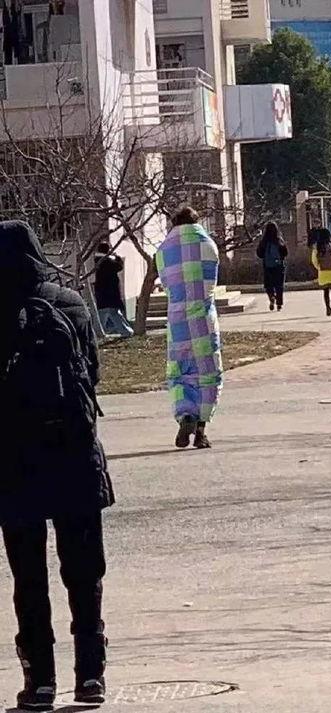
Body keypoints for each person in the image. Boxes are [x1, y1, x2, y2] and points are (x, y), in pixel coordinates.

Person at [0, 221, 114, 710]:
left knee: (28, 577)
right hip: (75, 456)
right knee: (84, 572)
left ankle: (40, 683)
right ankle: (91, 676)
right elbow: (93, 372)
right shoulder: (71, 303)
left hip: (14, 462)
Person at [156, 206, 223, 450]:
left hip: (178, 322)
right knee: (209, 374)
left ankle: (185, 415)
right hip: (204, 319)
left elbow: (167, 283)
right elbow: (211, 280)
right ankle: (201, 431)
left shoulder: (163, 250)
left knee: (179, 373)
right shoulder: (208, 245)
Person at [94, 242, 133, 338]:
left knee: (104, 314)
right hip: (109, 293)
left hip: (102, 293)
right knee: (112, 313)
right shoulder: (106, 261)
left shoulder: (98, 260)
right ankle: (125, 332)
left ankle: (97, 333)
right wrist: (117, 257)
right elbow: (119, 267)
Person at [311, 228, 331, 316]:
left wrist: (318, 267)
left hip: (323, 271)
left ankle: (328, 307)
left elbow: (314, 259)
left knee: (325, 292)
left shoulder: (317, 246)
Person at [256, 221, 288, 312]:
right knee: (279, 285)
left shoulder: (264, 241)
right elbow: (285, 252)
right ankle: (279, 304)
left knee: (268, 285)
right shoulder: (279, 240)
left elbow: (259, 253)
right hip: (279, 266)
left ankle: (271, 297)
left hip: (267, 266)